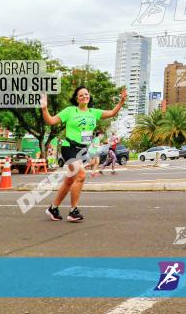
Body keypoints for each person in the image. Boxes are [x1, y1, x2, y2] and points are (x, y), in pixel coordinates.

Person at [40, 86, 126, 222]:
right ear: (76, 98)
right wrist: (44, 108)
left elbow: (112, 113)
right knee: (80, 175)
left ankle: (53, 208)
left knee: (69, 181)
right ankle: (73, 211)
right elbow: (51, 121)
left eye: (86, 94)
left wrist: (121, 102)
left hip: (82, 150)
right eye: (81, 95)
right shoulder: (70, 111)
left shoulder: (94, 112)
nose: (84, 96)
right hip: (69, 147)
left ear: (89, 96)